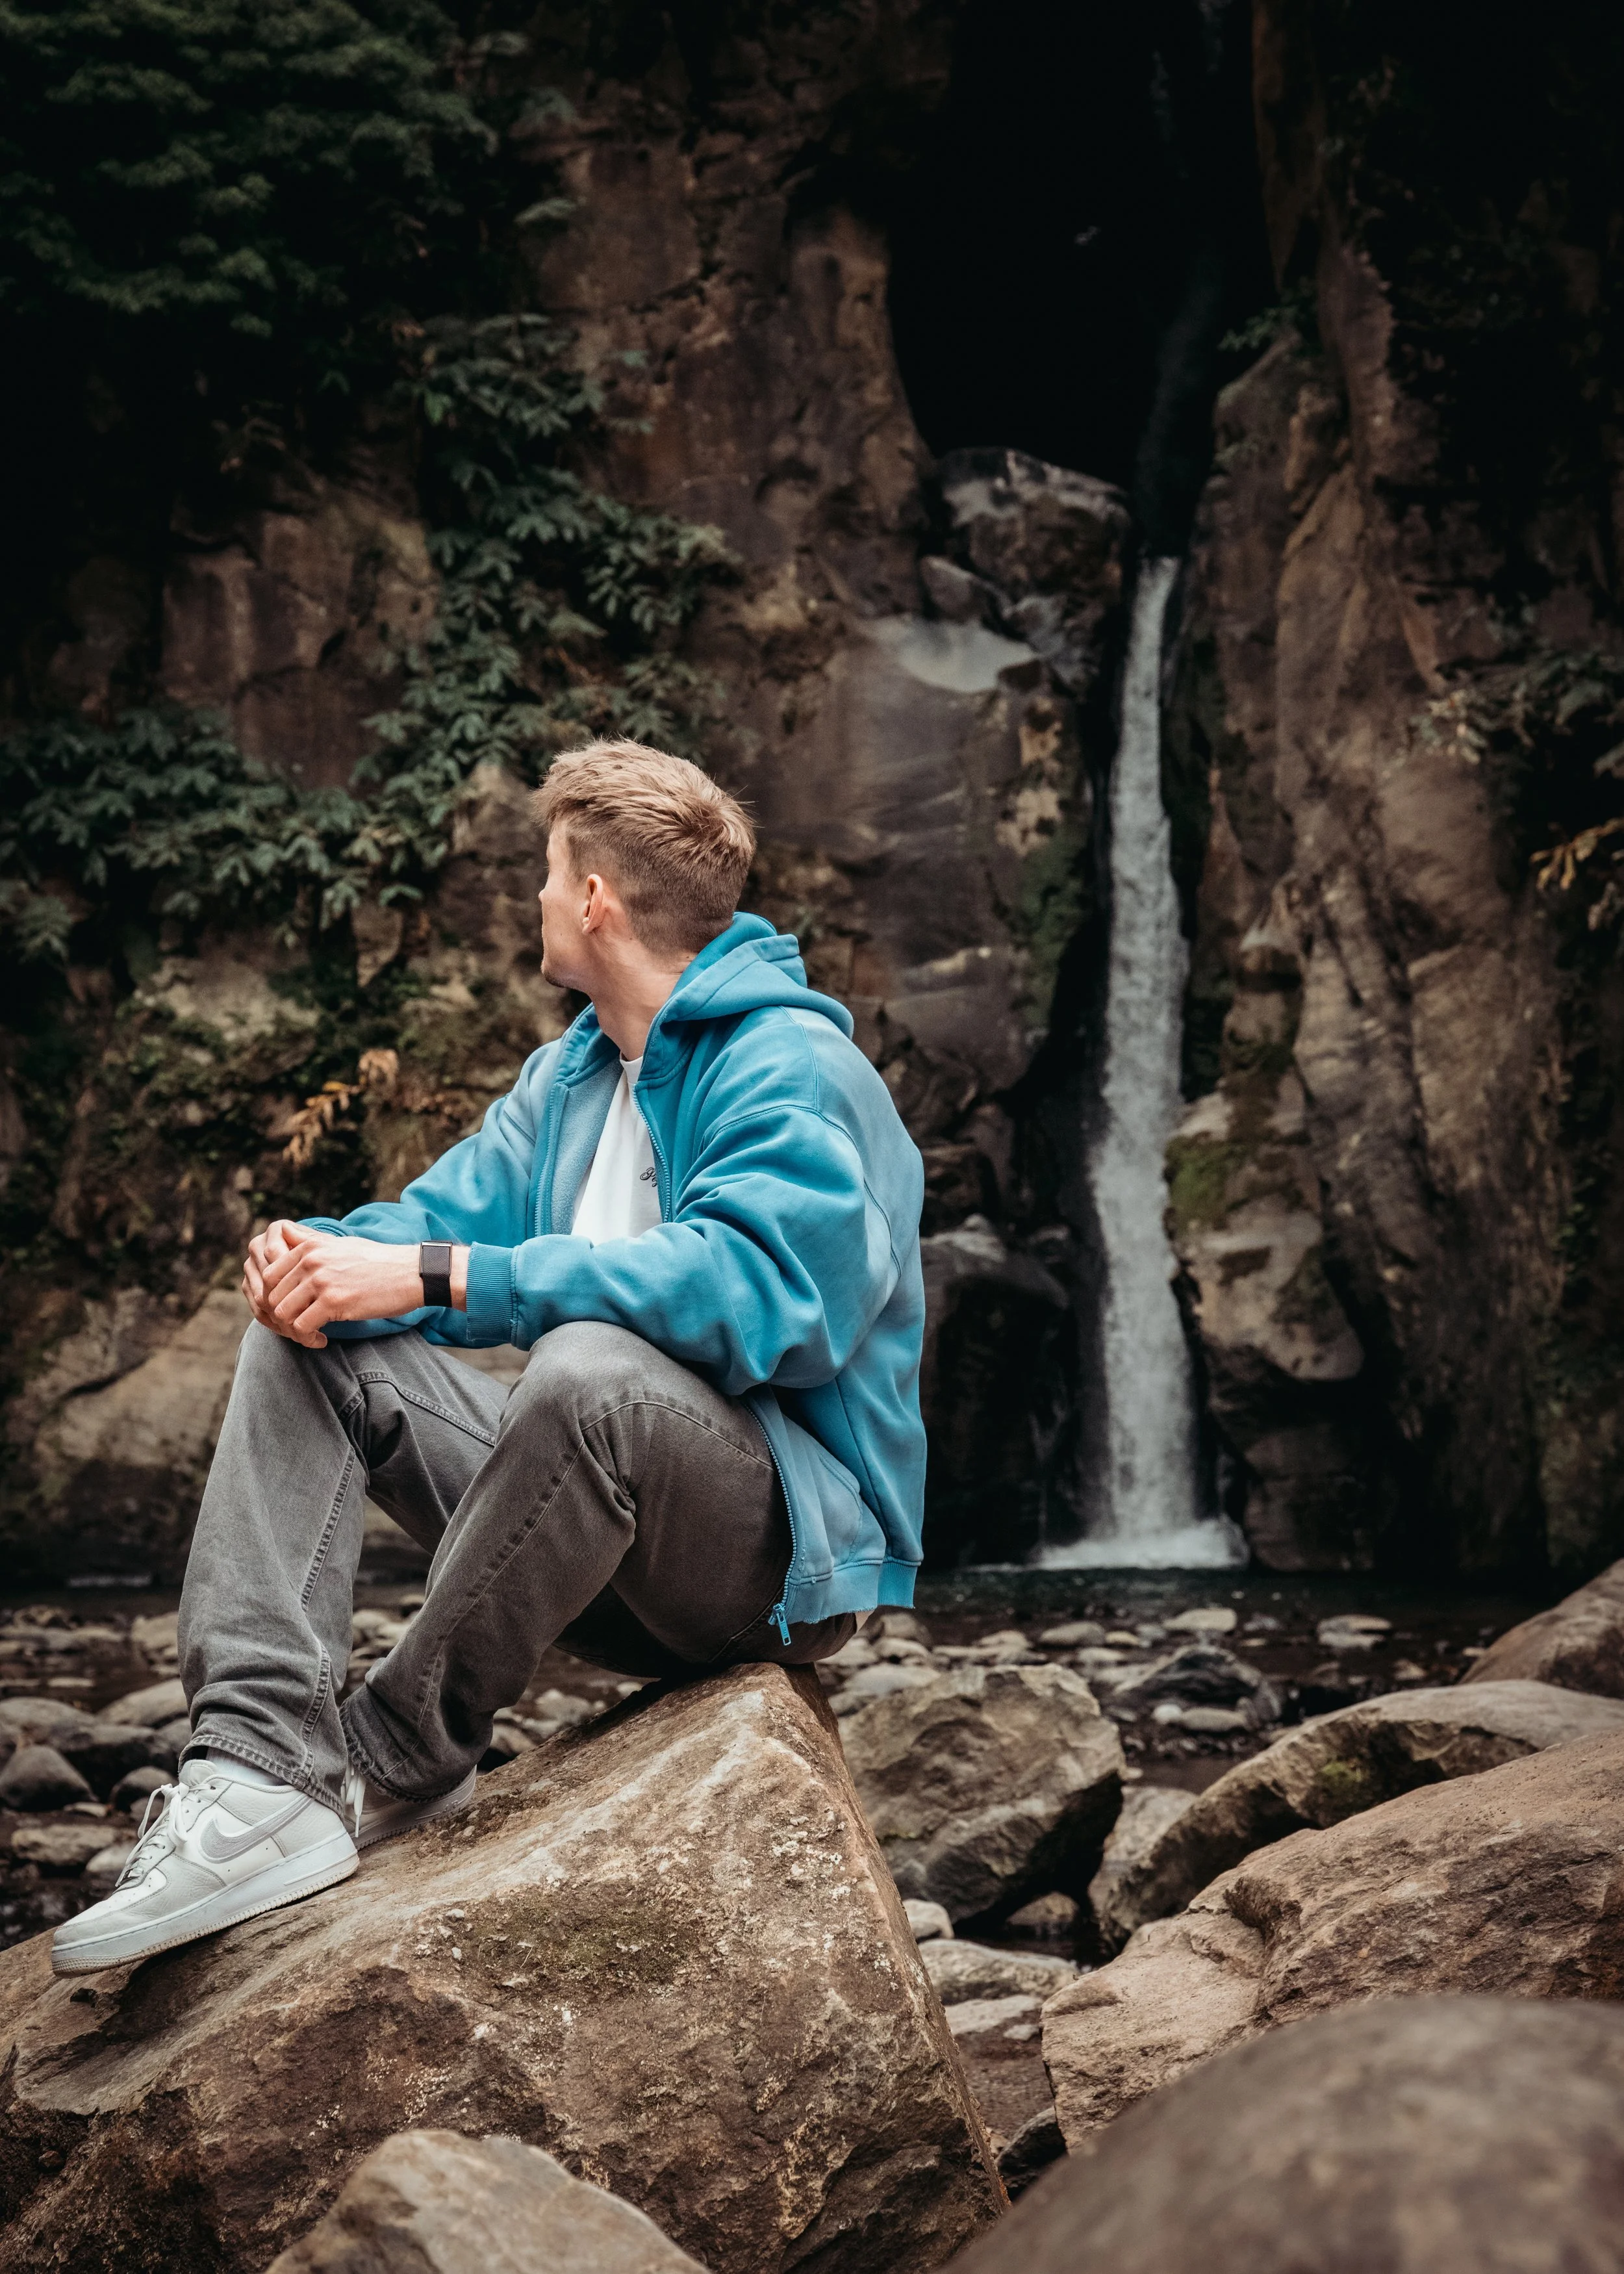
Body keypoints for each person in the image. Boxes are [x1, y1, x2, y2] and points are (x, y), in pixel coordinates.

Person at [52, 740, 926, 1976]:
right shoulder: (569, 1081)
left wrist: (448, 1279)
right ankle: (260, 1776)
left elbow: (769, 1297)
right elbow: (440, 1223)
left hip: (762, 1563)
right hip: (585, 1541)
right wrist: (323, 1257)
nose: (532, 900)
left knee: (584, 1368)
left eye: (545, 874)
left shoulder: (793, 1069)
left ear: (593, 901)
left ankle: (391, 1758)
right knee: (312, 1342)